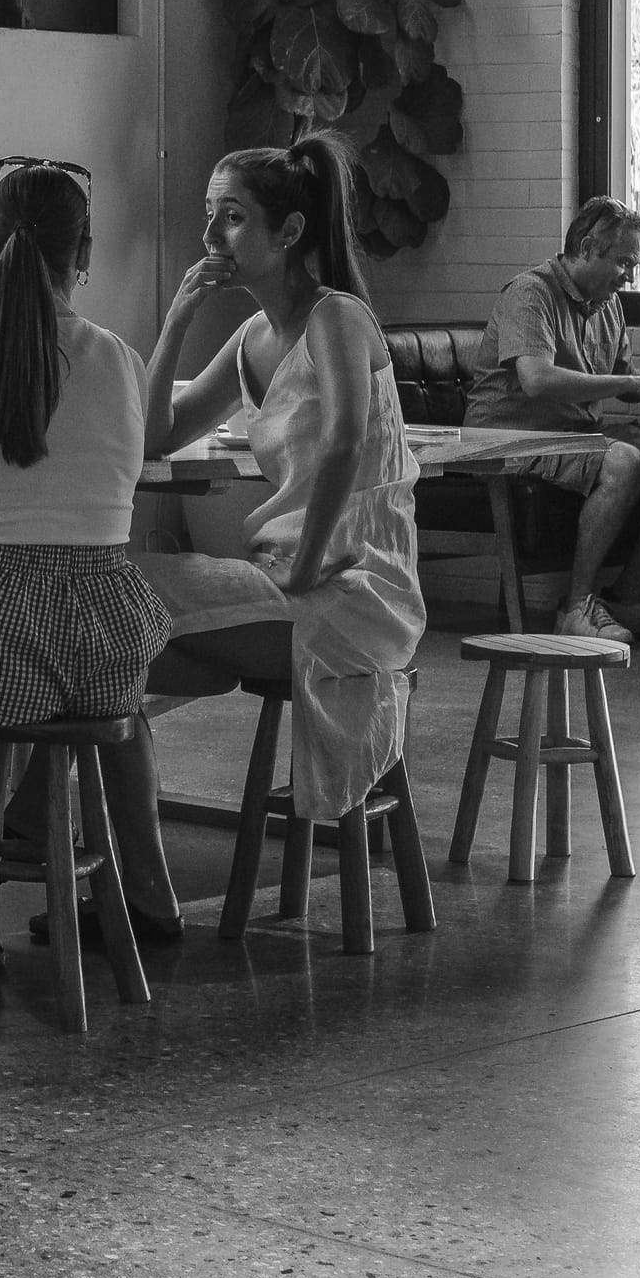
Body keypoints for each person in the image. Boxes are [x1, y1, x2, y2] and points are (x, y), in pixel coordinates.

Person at [0, 163, 179, 978]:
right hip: (110, 652)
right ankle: (121, 880)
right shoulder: (125, 362)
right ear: (83, 252)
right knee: (49, 689)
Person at [134, 138, 427, 831]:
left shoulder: (336, 315)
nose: (211, 237)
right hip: (283, 579)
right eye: (210, 218)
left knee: (117, 587)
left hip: (355, 591)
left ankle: (92, 855)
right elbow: (155, 435)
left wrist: (302, 562)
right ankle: (119, 854)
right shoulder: (251, 337)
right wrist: (176, 320)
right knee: (110, 645)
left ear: (289, 231)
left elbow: (346, 439)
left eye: (231, 218)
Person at [463, 196, 640, 643]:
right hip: (513, 437)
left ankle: (630, 593)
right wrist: (626, 385)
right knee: (624, 461)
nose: (630, 275)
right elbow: (535, 379)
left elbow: (619, 380)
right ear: (589, 246)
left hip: (576, 433)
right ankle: (576, 607)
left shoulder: (607, 303)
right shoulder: (530, 292)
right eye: (624, 262)